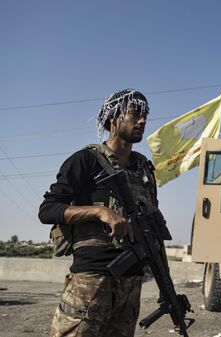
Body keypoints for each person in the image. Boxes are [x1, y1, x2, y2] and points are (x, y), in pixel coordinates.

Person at [39, 88, 162, 337]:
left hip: (131, 283)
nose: (142, 120)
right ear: (114, 117)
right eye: (134, 113)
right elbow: (48, 209)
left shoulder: (144, 168)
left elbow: (154, 229)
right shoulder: (86, 160)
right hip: (91, 280)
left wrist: (164, 283)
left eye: (145, 115)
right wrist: (99, 212)